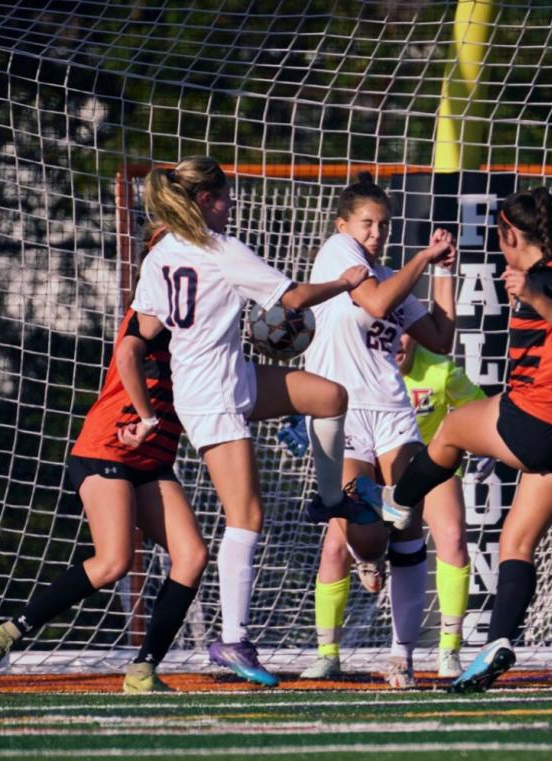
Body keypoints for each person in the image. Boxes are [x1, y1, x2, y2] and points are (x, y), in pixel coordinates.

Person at [127, 156, 381, 688]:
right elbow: (292, 299)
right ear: (203, 202)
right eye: (223, 197)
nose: (231, 204)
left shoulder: (160, 254)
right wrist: (345, 281)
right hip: (212, 396)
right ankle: (234, 638)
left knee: (331, 396)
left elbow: (146, 326)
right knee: (246, 517)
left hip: (233, 376)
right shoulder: (219, 250)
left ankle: (331, 498)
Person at [379, 186, 552, 693]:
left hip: (540, 420)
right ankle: (498, 641)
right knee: (516, 542)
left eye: (499, 236)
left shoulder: (545, 280)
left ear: (511, 234)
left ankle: (397, 500)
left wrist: (534, 296)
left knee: (452, 429)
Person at [0, 298, 207, 693]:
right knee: (113, 562)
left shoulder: (208, 316)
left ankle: (143, 670)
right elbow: (127, 352)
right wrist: (147, 418)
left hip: (152, 459)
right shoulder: (160, 302)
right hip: (110, 447)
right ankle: (4, 634)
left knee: (191, 556)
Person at [296, 172, 458, 688]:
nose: (376, 233)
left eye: (384, 225)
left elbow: (440, 337)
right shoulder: (336, 253)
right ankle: (366, 560)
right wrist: (422, 259)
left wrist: (444, 276)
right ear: (345, 224)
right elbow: (376, 304)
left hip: (391, 410)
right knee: (364, 535)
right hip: (338, 409)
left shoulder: (389, 275)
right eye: (368, 223)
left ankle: (401, 655)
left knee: (408, 523)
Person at [299, 332, 490, 683]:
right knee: (334, 547)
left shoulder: (440, 369)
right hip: (365, 459)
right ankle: (328, 653)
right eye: (383, 329)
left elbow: (478, 405)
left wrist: (487, 444)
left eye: (400, 328)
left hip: (428, 461)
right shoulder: (350, 367)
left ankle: (448, 648)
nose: (396, 340)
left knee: (451, 536)